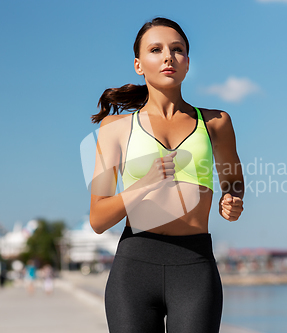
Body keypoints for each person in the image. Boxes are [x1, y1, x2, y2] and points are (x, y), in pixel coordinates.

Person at [89, 17, 244, 333]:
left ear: (187, 64)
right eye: (156, 50)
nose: (168, 57)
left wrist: (233, 200)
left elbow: (232, 182)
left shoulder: (216, 123)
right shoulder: (115, 129)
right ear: (139, 65)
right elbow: (98, 218)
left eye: (177, 50)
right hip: (134, 268)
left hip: (194, 267)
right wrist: (143, 184)